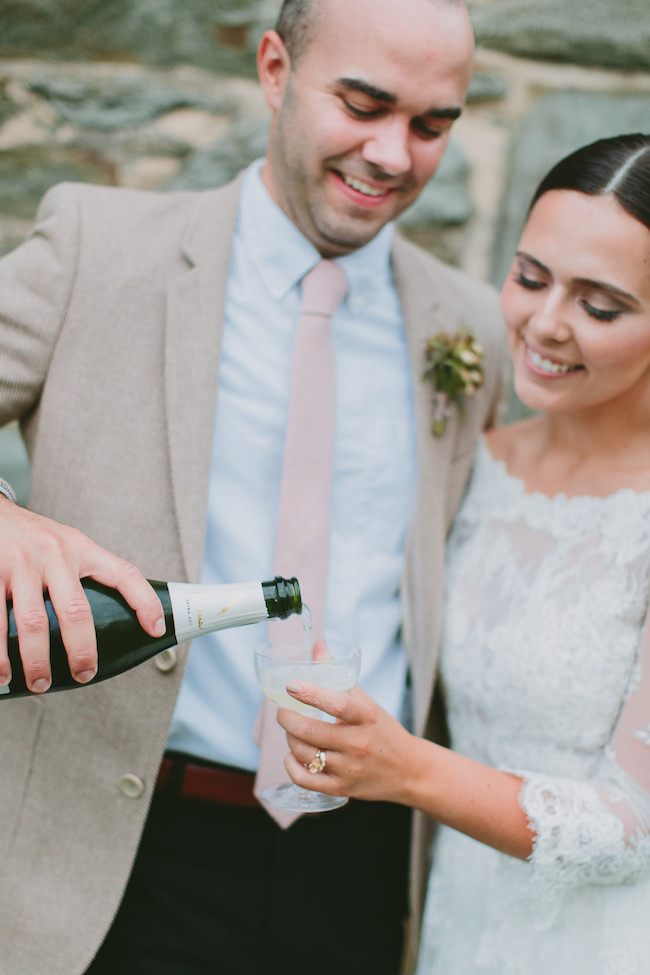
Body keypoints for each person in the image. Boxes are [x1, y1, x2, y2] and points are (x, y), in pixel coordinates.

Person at [0, 0, 505, 973]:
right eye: (363, 105)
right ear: (275, 69)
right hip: (117, 850)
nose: (392, 154)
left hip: (360, 868)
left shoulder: (470, 324)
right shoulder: (97, 245)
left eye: (431, 124)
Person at [277, 132, 650, 974]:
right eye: (530, 277)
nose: (544, 324)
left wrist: (403, 767)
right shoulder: (478, 462)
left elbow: (635, 828)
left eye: (600, 306)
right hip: (457, 926)